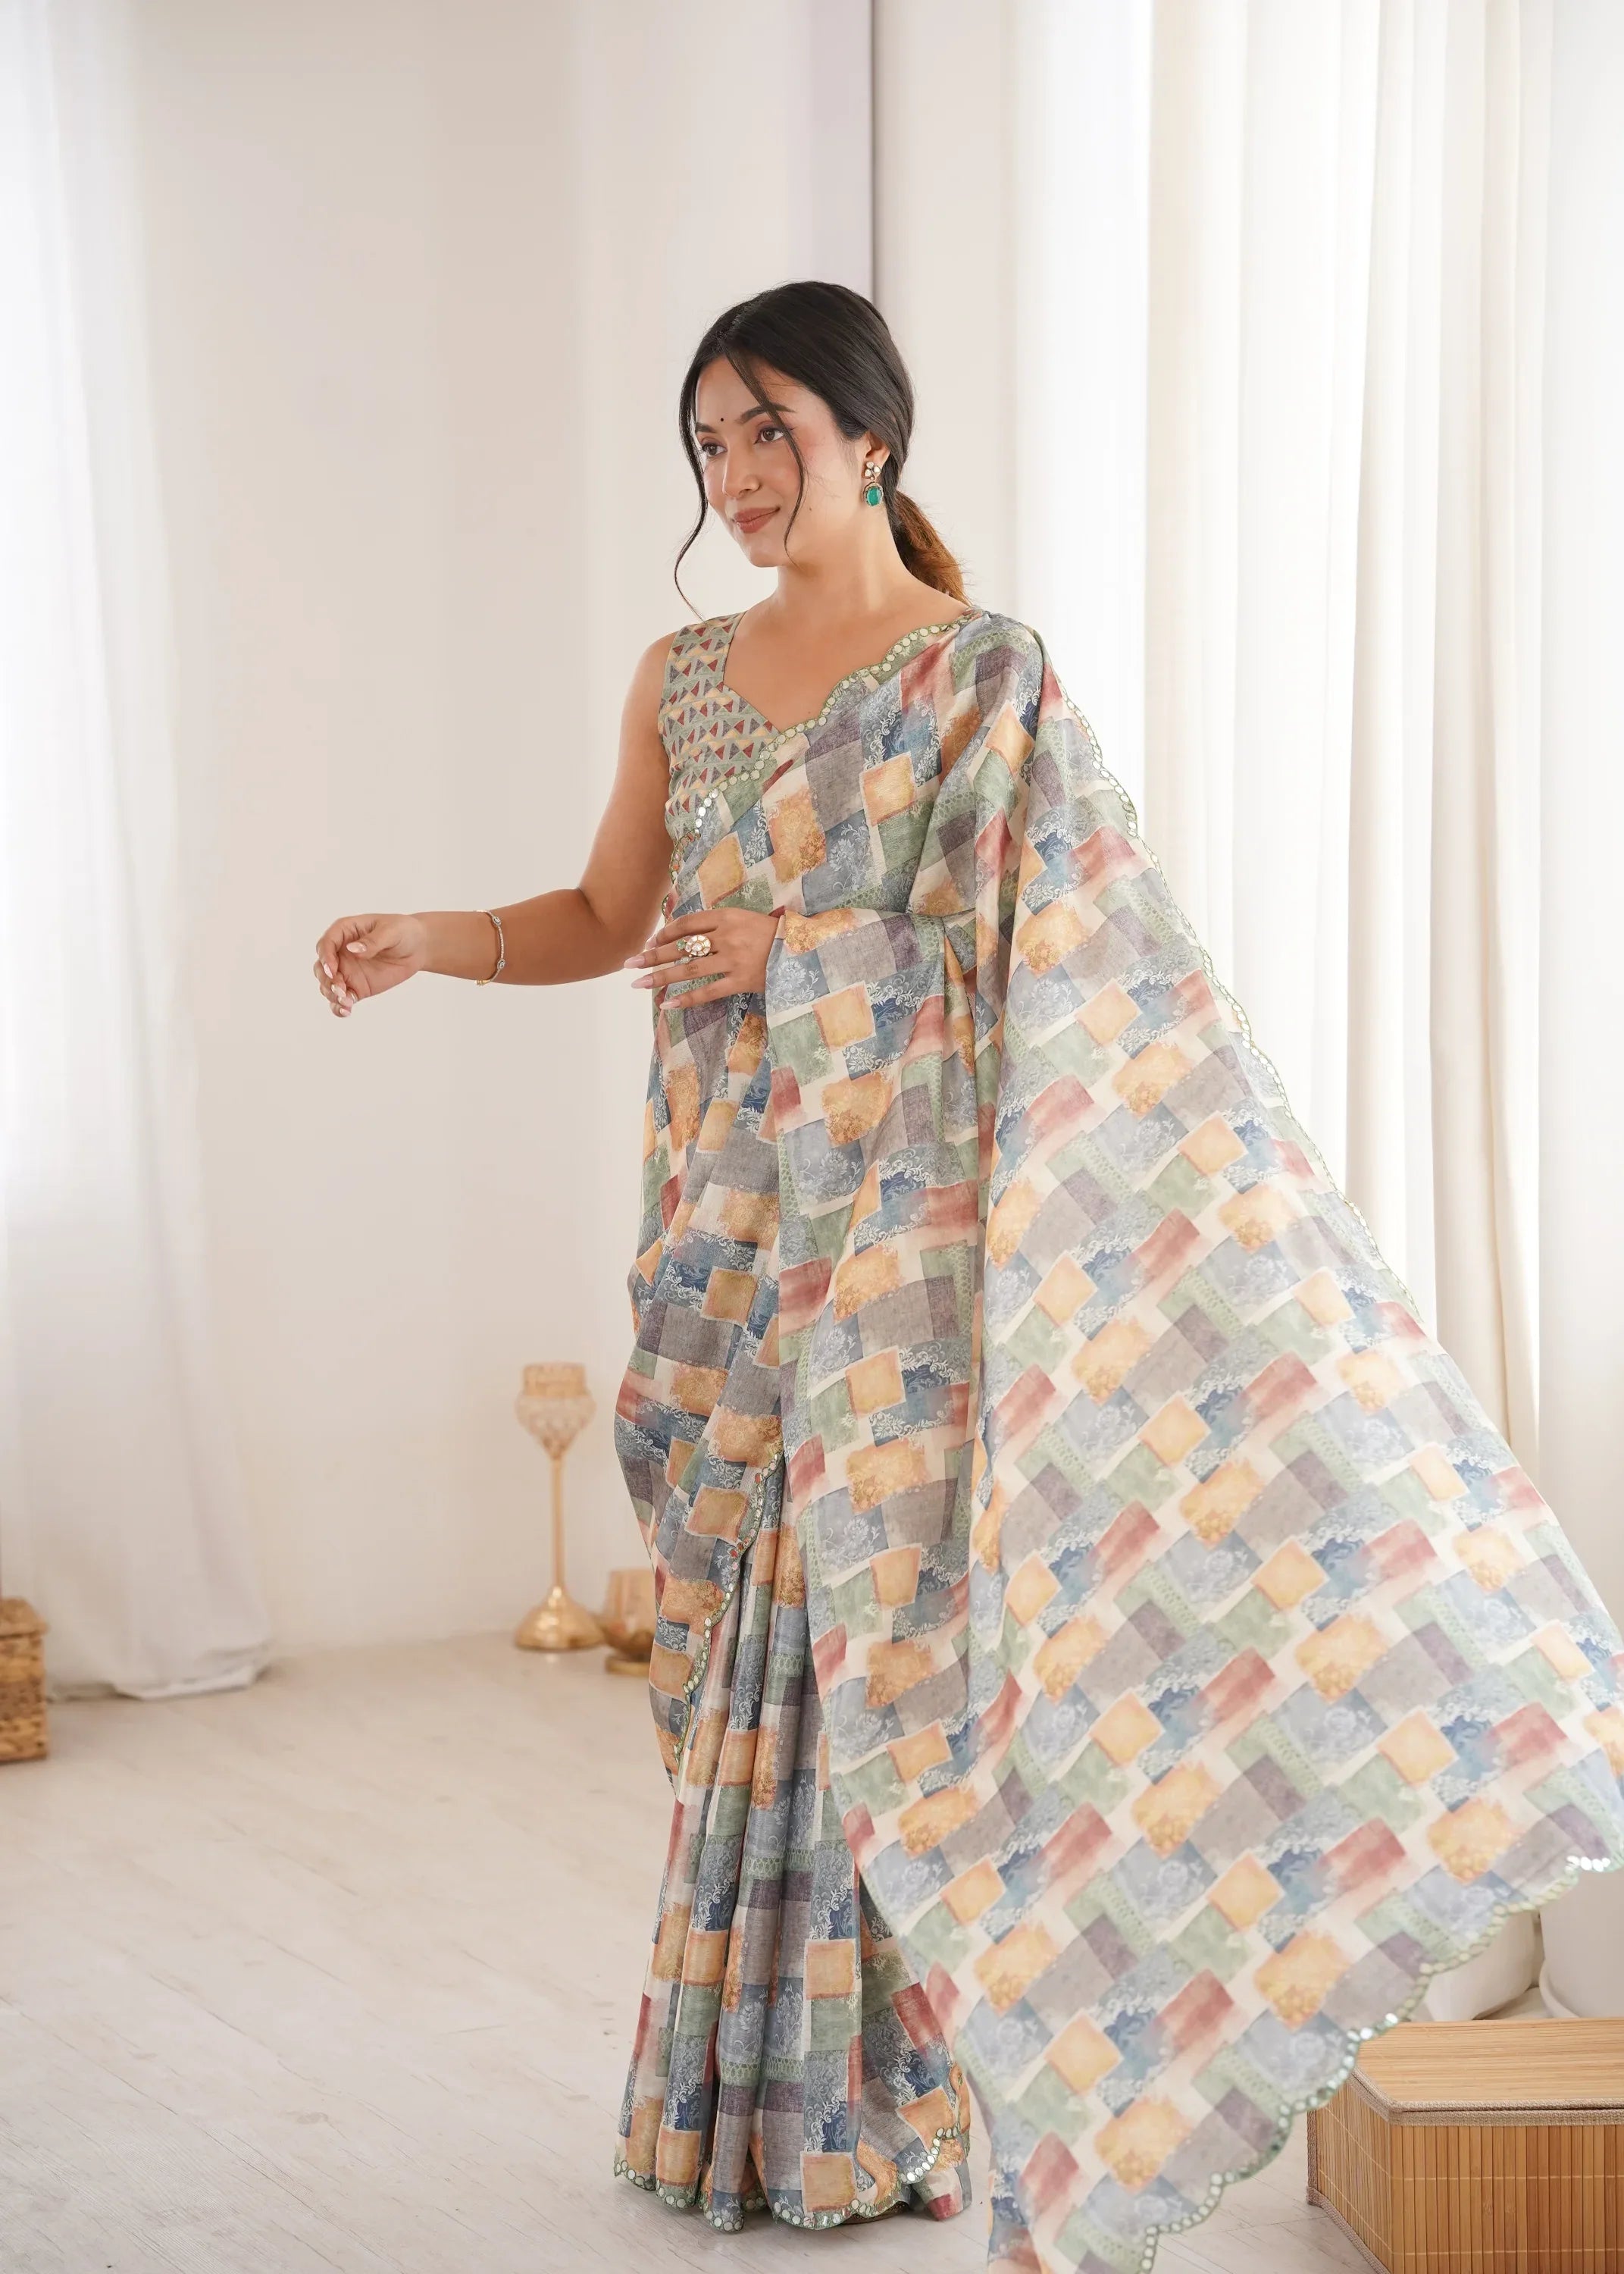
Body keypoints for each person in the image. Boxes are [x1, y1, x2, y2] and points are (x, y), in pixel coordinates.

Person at [313, 281, 1624, 2274]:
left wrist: (804, 957)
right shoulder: (683, 678)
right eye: (710, 446)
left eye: (768, 431)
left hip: (906, 1248)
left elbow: (1062, 965)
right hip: (732, 1218)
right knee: (764, 1638)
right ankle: (758, 2106)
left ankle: (883, 2110)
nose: (737, 477)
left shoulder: (980, 675)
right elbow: (601, 909)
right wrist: (434, 936)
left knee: (895, 1655)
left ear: (872, 437)